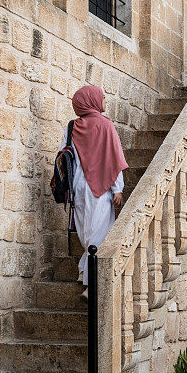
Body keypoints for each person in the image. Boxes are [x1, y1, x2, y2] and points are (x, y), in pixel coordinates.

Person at [61, 85, 128, 296]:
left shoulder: (72, 127)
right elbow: (113, 158)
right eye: (103, 98)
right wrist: (118, 189)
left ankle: (85, 270)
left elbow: (64, 155)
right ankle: (92, 284)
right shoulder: (106, 125)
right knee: (99, 233)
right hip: (101, 188)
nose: (105, 102)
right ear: (93, 101)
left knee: (86, 232)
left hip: (78, 188)